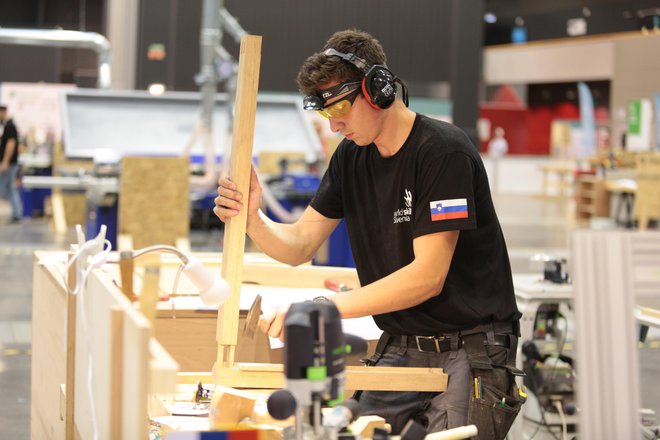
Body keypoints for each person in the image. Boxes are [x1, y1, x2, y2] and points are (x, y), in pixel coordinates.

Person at [214, 30, 523, 439]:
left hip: (469, 348)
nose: (335, 124)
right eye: (326, 114)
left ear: (378, 88)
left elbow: (427, 277)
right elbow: (300, 244)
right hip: (402, 341)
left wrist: (326, 309)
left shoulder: (443, 153)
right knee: (350, 430)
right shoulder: (352, 157)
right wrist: (253, 219)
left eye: (340, 107)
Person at [0, 104, 23, 223]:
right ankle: (16, 213)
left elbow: (11, 144)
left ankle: (17, 213)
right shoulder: (8, 126)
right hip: (10, 163)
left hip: (9, 164)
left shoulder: (9, 126)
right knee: (10, 188)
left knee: (6, 188)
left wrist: (5, 162)